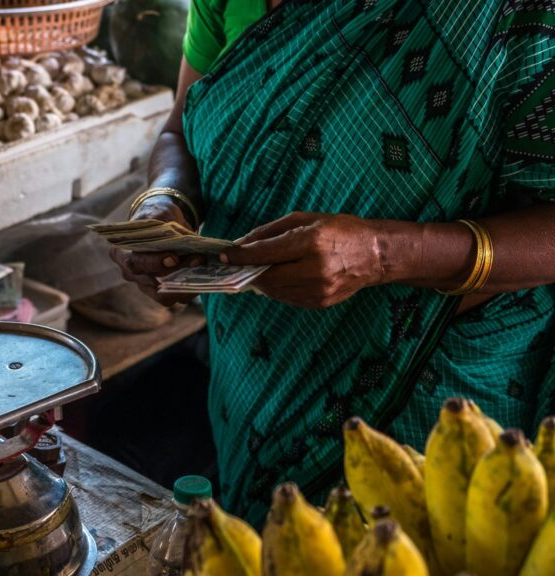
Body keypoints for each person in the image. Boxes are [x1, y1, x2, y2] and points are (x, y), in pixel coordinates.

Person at [110, 0, 555, 526]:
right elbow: (178, 131)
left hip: (431, 388)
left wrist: (380, 254)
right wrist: (166, 202)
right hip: (254, 371)